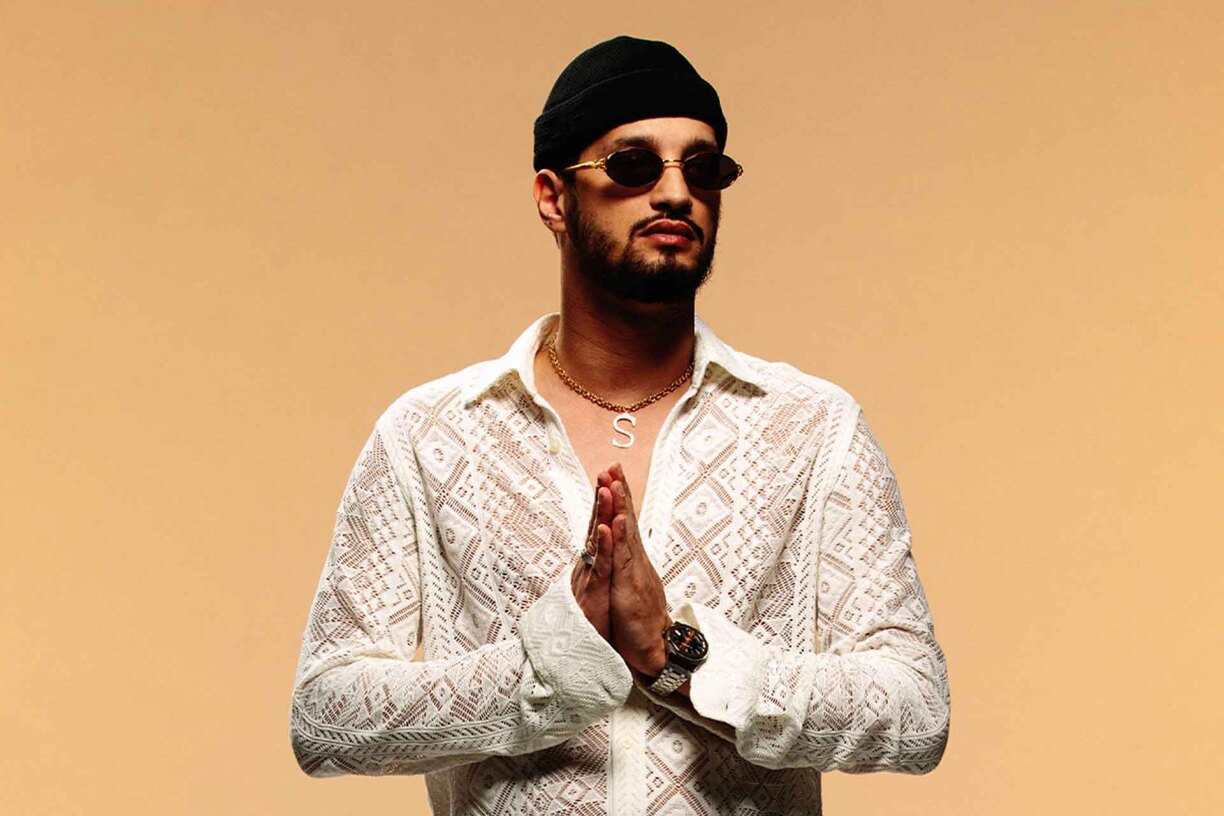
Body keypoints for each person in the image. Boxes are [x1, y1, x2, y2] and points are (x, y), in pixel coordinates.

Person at [289, 35, 950, 815]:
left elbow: (916, 712)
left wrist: (676, 655)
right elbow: (325, 717)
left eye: (702, 169)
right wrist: (553, 663)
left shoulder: (811, 428)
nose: (675, 192)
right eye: (633, 166)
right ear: (553, 197)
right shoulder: (430, 435)